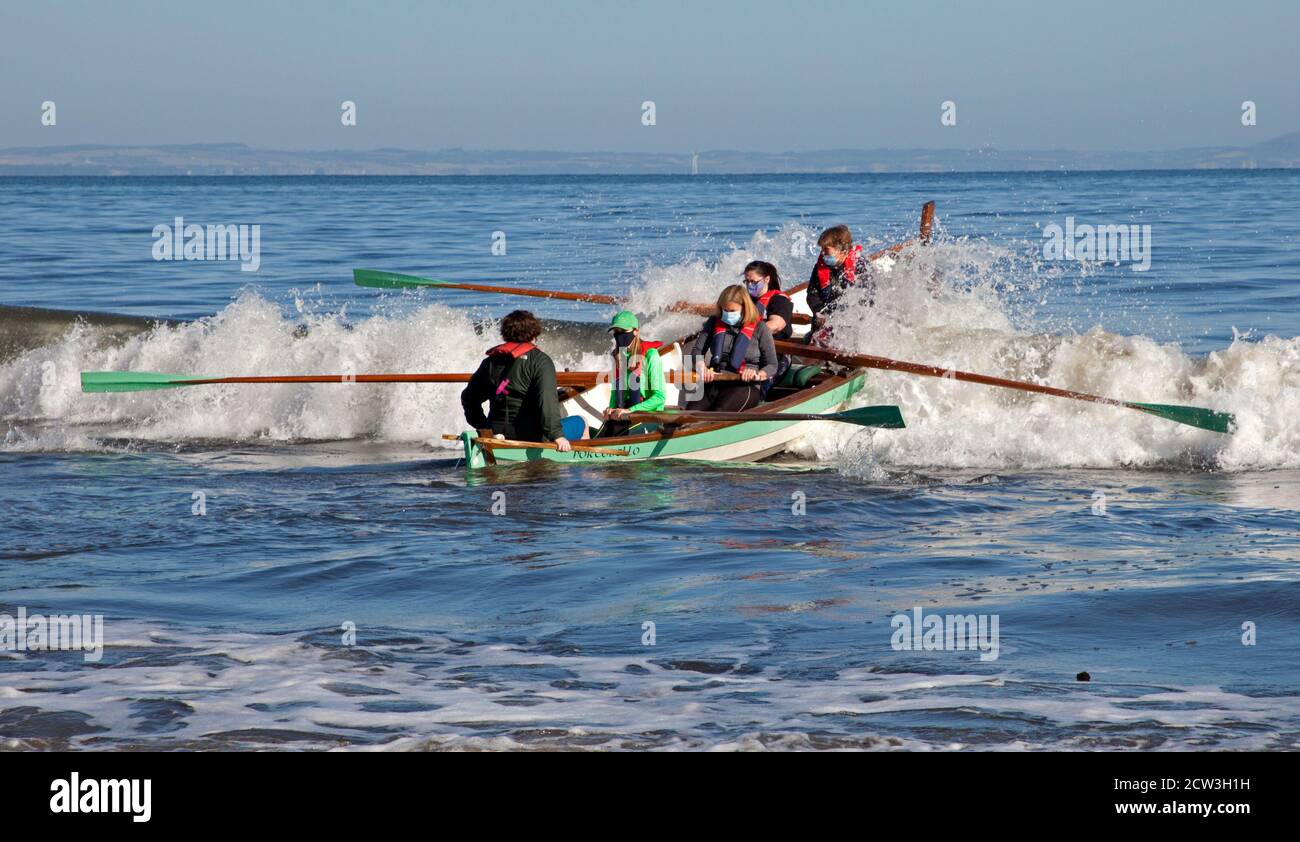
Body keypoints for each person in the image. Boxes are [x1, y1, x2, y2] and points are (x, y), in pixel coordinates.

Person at [460, 309, 583, 451]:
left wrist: (484, 427)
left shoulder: (490, 362)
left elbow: (468, 398)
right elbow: (546, 400)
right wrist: (557, 435)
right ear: (534, 333)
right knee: (581, 422)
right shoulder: (540, 361)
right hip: (529, 437)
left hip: (495, 434)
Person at [684, 285, 778, 412]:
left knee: (719, 412)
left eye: (733, 311)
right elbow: (697, 351)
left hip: (745, 385)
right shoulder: (713, 322)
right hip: (716, 380)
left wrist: (757, 374)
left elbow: (772, 365)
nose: (728, 315)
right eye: (725, 310)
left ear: (745, 308)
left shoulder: (761, 328)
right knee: (687, 415)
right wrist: (701, 366)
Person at [599, 311, 667, 437]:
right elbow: (616, 392)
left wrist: (631, 411)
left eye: (622, 331)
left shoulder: (651, 355)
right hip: (626, 411)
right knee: (603, 433)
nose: (619, 336)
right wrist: (611, 409)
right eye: (616, 332)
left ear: (636, 331)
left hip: (648, 414)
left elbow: (660, 397)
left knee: (619, 434)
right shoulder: (620, 356)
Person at [805, 224, 874, 342]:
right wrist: (821, 313)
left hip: (854, 323)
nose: (822, 254)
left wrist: (842, 317)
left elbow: (869, 298)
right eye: (822, 249)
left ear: (843, 251)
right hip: (825, 322)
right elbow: (812, 295)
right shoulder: (819, 268)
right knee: (809, 341)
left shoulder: (861, 266)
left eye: (826, 250)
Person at [742, 260, 794, 389]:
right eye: (746, 282)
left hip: (775, 357)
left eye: (753, 282)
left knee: (758, 386)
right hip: (749, 354)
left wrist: (747, 332)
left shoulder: (779, 300)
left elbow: (776, 325)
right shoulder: (745, 300)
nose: (749, 285)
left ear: (766, 279)